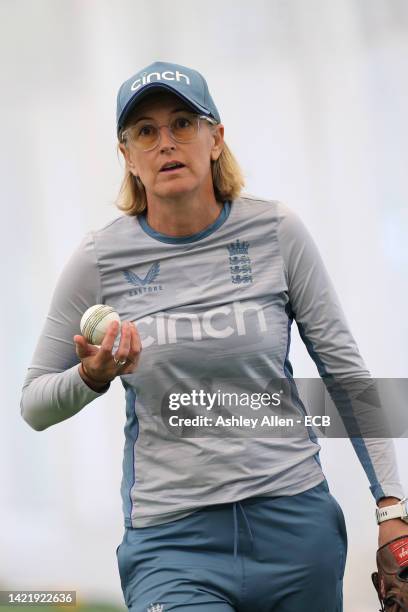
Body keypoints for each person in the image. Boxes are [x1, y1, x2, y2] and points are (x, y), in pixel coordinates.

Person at [21, 61, 408, 612]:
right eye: (146, 132)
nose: (166, 143)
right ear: (127, 156)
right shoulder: (99, 259)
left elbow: (345, 377)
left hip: (294, 529)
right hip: (172, 544)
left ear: (216, 138)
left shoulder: (277, 232)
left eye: (183, 123)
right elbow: (33, 404)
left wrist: (392, 510)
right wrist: (91, 376)